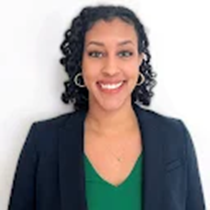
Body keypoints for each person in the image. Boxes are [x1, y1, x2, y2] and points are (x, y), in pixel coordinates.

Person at [8, 4, 206, 210]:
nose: (110, 69)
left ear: (139, 60)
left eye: (124, 53)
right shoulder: (43, 141)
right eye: (96, 53)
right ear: (80, 63)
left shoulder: (175, 137)